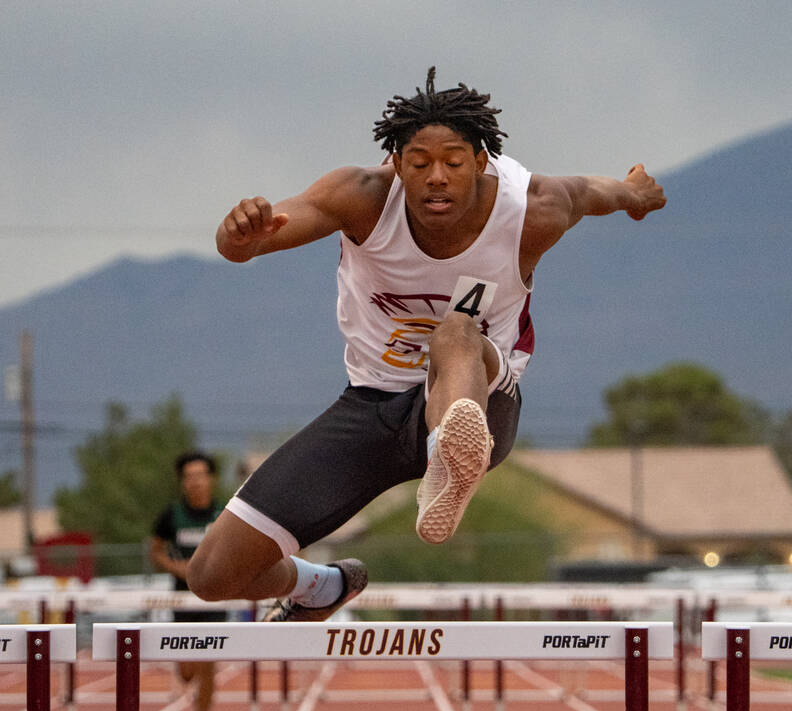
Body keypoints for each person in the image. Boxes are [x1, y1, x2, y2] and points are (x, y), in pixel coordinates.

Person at [188, 68, 665, 618]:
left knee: (456, 330)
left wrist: (634, 192)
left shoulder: (531, 208)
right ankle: (323, 587)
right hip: (371, 406)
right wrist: (237, 236)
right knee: (212, 575)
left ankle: (450, 456)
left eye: (453, 164)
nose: (436, 178)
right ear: (395, 165)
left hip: (482, 393)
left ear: (481, 161)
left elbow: (592, 192)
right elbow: (252, 242)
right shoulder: (361, 197)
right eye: (418, 164)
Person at [150, 452, 226, 711]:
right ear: (182, 482)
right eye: (189, 477)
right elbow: (156, 551)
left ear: (211, 479)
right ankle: (186, 672)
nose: (195, 482)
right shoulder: (171, 515)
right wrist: (176, 567)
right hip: (182, 599)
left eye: (200, 475)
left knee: (208, 664)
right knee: (186, 672)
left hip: (214, 598)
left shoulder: (224, 514)